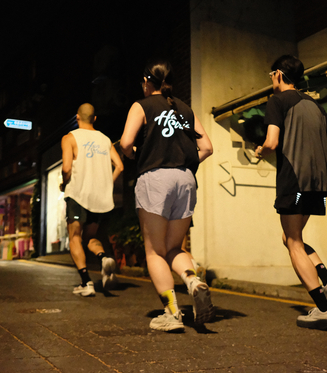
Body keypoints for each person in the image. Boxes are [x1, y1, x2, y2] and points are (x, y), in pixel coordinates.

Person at [255, 55, 327, 330]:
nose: (271, 79)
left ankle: (323, 308)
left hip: (294, 180)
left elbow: (272, 142)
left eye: (272, 74)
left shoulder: (278, 101)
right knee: (290, 237)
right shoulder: (314, 105)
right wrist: (318, 154)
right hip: (317, 182)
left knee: (293, 241)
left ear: (280, 75)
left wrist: (262, 149)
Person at [120, 59, 214, 332]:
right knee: (175, 248)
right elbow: (207, 148)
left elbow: (126, 143)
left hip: (155, 177)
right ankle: (193, 282)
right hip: (185, 179)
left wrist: (139, 155)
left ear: (148, 81)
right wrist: (184, 160)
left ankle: (173, 314)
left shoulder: (142, 105)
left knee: (154, 252)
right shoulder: (184, 108)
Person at [61, 103, 124, 296]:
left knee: (75, 238)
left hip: (78, 195)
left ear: (77, 117)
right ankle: (103, 257)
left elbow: (66, 168)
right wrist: (107, 184)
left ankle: (86, 282)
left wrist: (64, 184)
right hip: (98, 197)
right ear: (95, 119)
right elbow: (120, 166)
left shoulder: (70, 138)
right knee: (90, 237)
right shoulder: (105, 140)